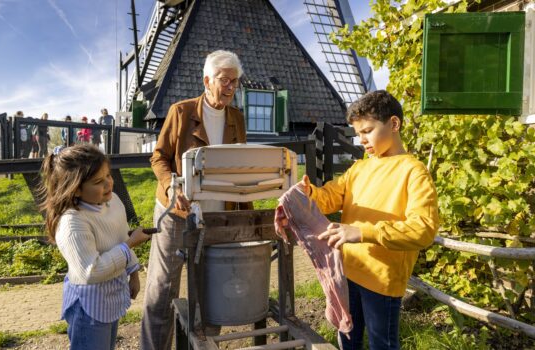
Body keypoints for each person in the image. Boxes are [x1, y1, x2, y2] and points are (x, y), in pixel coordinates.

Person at [275, 90, 439, 350]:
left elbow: (423, 230)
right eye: (358, 133)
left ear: (394, 124)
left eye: (367, 131)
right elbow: (329, 197)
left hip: (382, 280)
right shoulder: (360, 168)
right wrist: (307, 195)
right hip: (347, 272)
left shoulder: (413, 171)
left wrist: (362, 232)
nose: (361, 139)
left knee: (381, 345)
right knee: (347, 338)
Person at [141, 50, 250, 350]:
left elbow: (240, 166)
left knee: (210, 290)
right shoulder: (181, 112)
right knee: (162, 290)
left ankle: (203, 346)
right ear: (206, 80)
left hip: (217, 215)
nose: (230, 87)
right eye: (224, 80)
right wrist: (170, 187)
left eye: (235, 81)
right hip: (177, 212)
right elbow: (159, 157)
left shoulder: (237, 118)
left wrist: (245, 214)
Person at [39, 144, 151, 350]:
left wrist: (133, 272)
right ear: (75, 188)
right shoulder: (73, 222)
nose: (109, 184)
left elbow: (121, 236)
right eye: (98, 181)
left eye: (108, 175)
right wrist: (130, 245)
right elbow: (91, 272)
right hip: (88, 307)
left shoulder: (113, 201)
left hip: (111, 296)